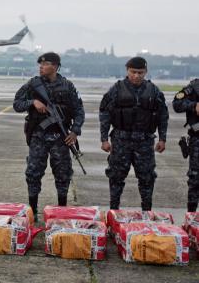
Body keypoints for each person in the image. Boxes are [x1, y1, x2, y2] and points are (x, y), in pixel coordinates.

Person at [13, 52, 85, 220]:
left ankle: (61, 210)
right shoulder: (33, 84)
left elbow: (79, 111)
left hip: (61, 137)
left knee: (63, 173)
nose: (41, 67)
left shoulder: (67, 86)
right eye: (40, 64)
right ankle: (33, 211)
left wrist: (74, 131)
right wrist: (33, 102)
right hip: (38, 135)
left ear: (55, 66)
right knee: (33, 173)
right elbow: (17, 104)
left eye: (45, 64)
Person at [99, 56, 168, 211]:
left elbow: (163, 115)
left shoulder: (154, 91)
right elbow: (105, 114)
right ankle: (113, 211)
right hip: (121, 140)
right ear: (127, 71)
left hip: (144, 141)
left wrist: (162, 138)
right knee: (116, 177)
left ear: (146, 72)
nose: (137, 76)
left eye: (140, 72)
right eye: (133, 72)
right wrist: (104, 139)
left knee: (147, 178)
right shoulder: (116, 89)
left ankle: (147, 212)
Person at [172, 78, 199, 212]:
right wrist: (194, 106)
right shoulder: (194, 87)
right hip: (197, 139)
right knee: (195, 178)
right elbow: (177, 104)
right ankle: (191, 216)